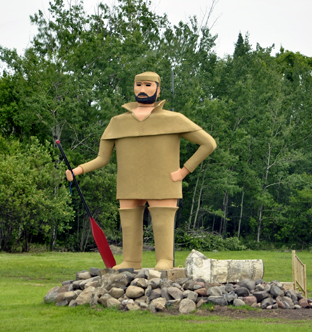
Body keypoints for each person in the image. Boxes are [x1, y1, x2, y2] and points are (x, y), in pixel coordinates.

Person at [66, 71, 216, 270]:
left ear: (158, 89)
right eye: (139, 85)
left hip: (163, 182)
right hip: (128, 183)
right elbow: (103, 158)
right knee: (129, 223)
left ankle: (164, 260)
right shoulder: (117, 122)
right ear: (133, 87)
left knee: (162, 222)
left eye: (148, 85)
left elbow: (208, 143)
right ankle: (130, 261)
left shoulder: (174, 119)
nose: (142, 89)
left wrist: (183, 171)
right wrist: (77, 170)